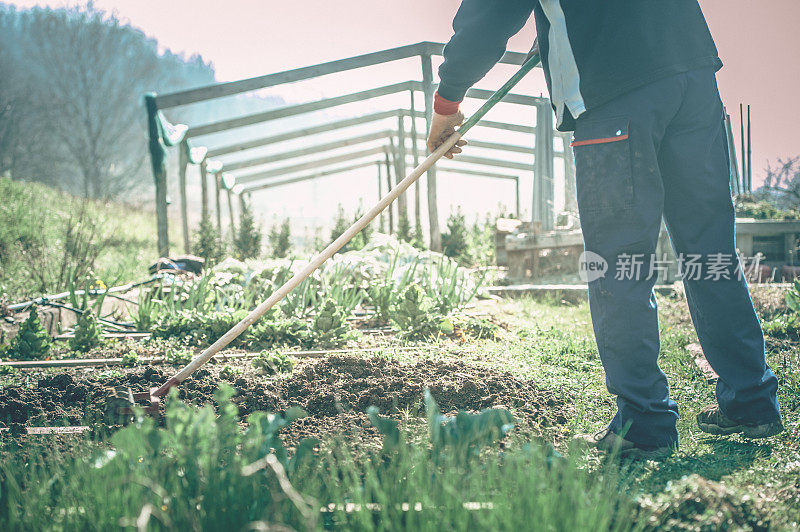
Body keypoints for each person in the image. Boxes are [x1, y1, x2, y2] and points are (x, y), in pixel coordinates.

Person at [427, 0, 783, 460]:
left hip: (613, 93)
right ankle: (752, 402)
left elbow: (490, 15)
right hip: (690, 72)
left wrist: (448, 100)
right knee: (708, 252)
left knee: (617, 266)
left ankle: (644, 423)